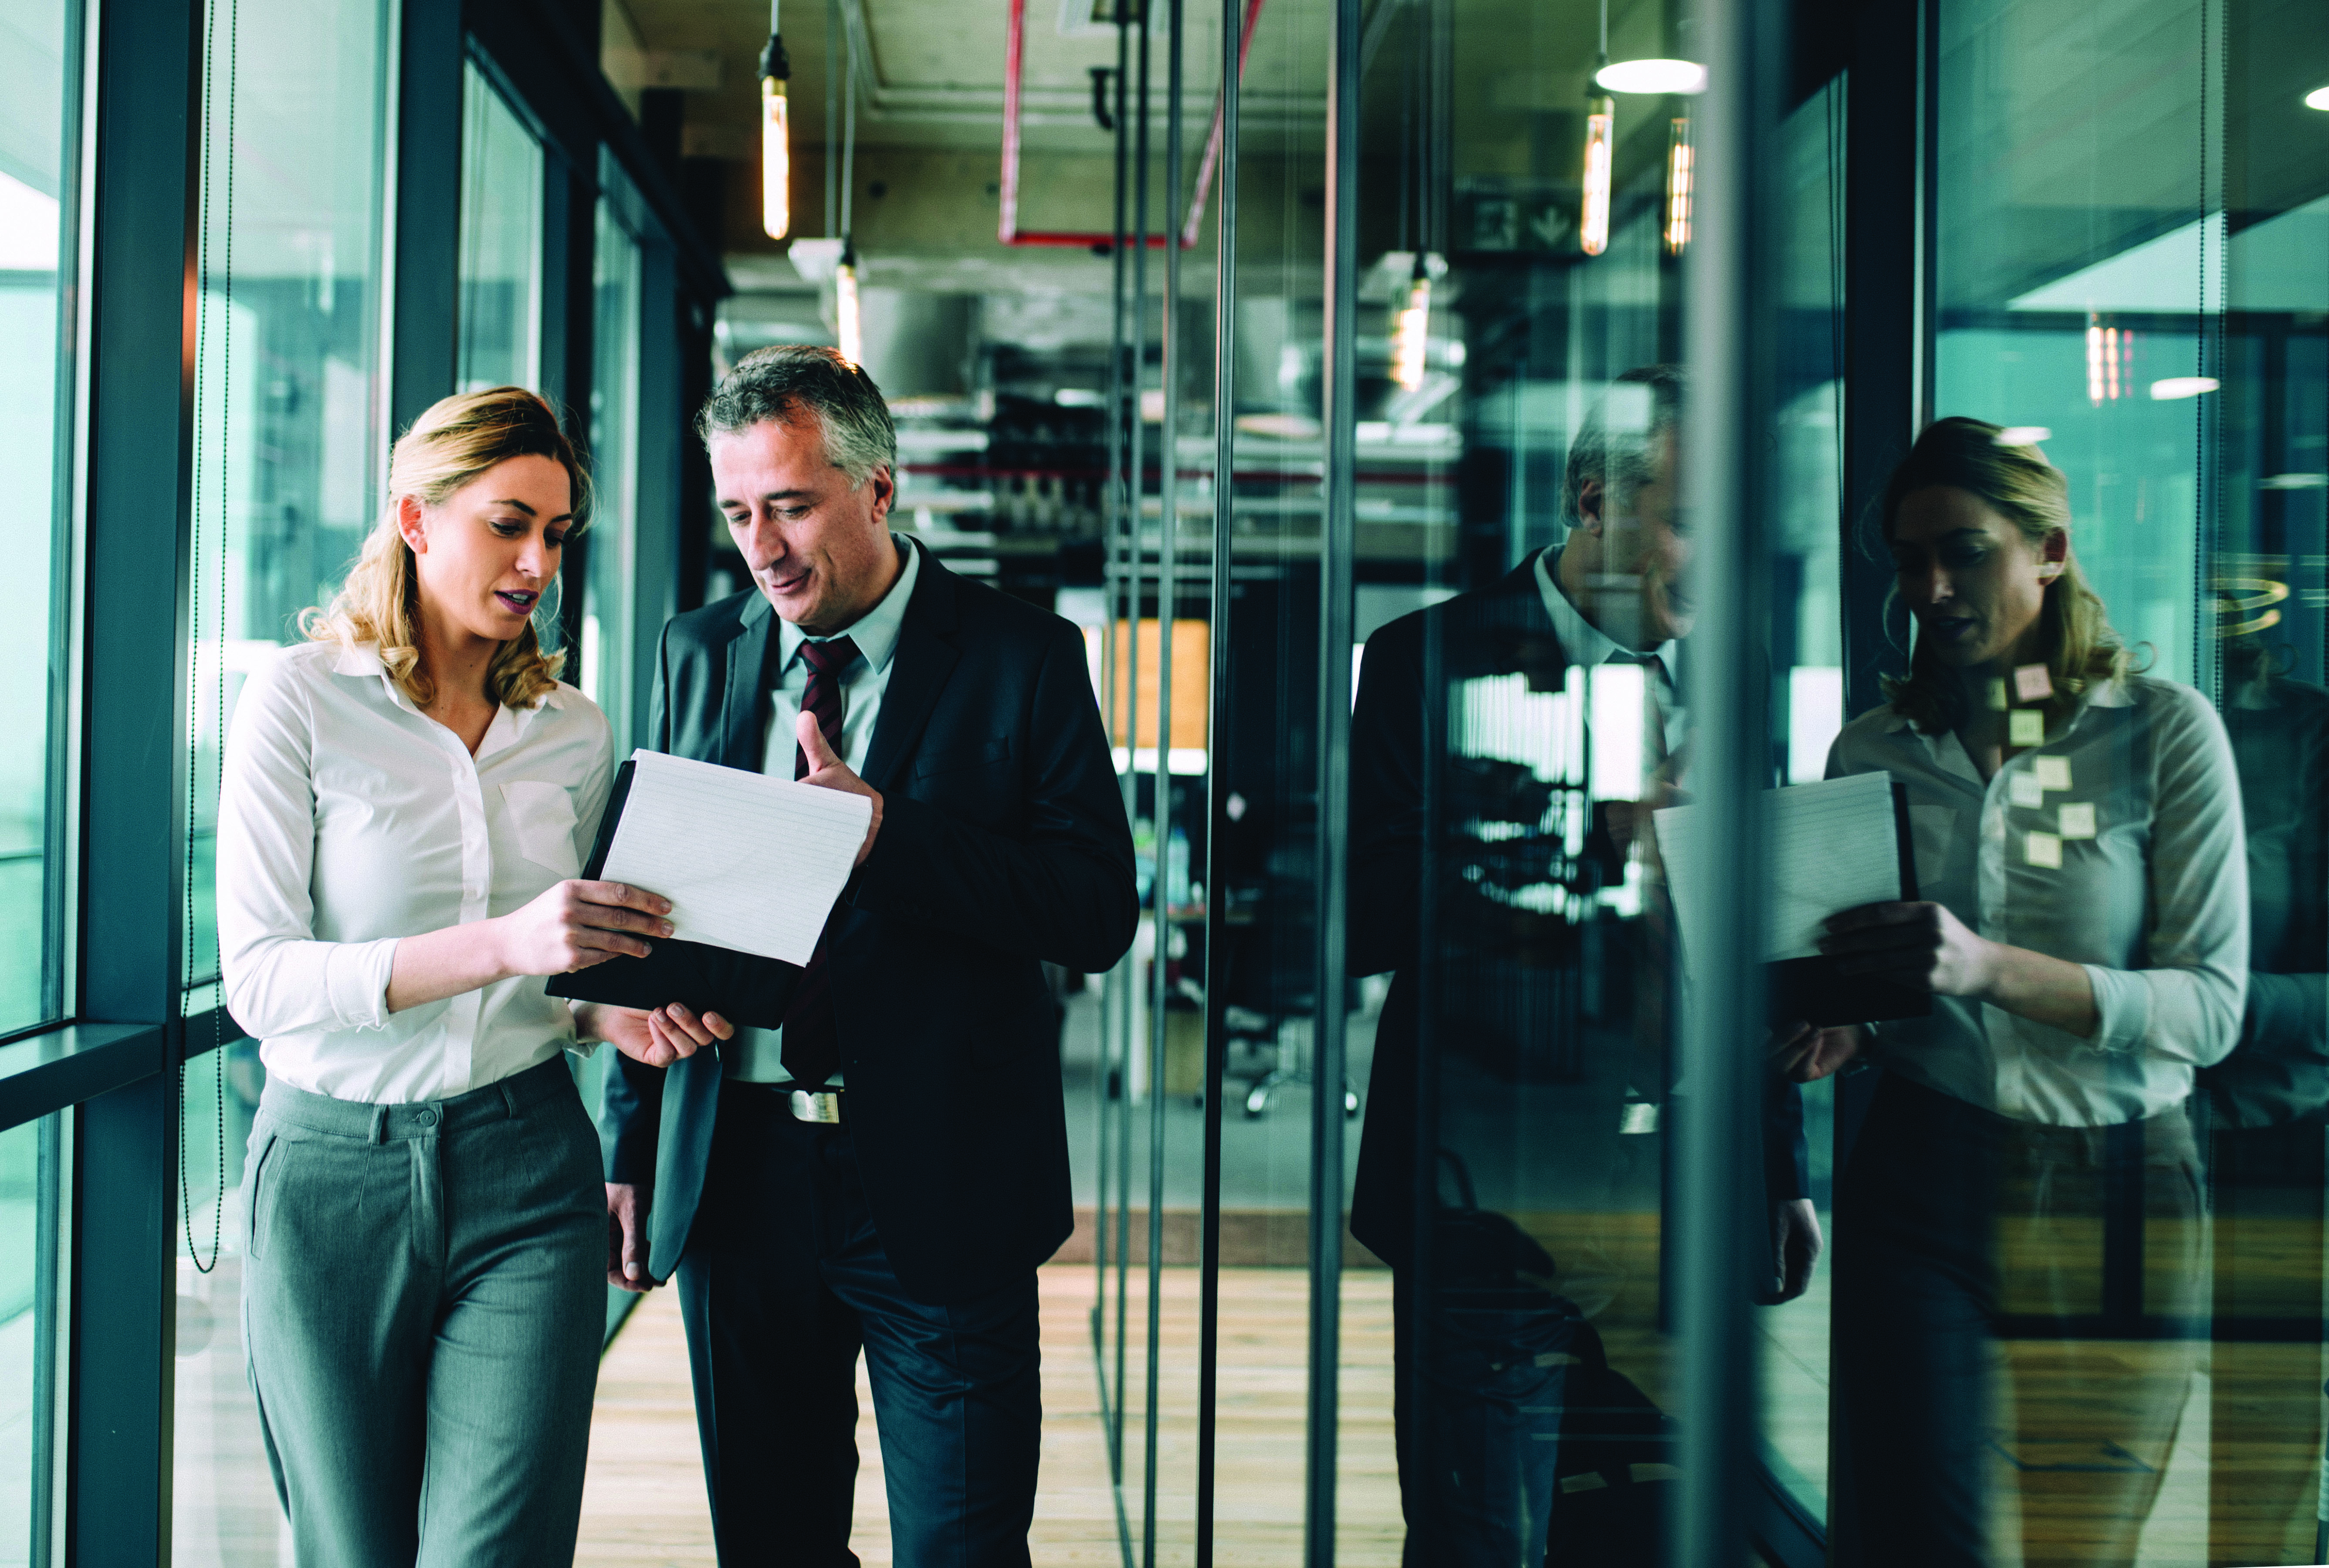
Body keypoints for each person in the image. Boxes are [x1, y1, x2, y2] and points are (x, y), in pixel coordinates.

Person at [599, 345, 1138, 1564]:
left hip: (942, 1182)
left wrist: (885, 834)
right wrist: (633, 1141)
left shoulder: (1021, 656)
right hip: (734, 1178)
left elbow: (1095, 909)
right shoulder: (703, 650)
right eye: (740, 513)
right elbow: (652, 911)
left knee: (960, 1544)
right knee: (773, 1543)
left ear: (878, 490)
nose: (764, 547)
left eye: (790, 506)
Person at [1348, 366, 1819, 1566]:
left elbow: (1749, 954)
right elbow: (1371, 920)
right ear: (1591, 496)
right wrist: (1597, 837)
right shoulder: (1424, 661)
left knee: (1653, 1531)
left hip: (1681, 1199)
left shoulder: (1736, 688)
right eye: (1688, 517)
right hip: (1490, 1184)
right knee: (1479, 1534)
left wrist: (1784, 1165)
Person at [218, 386, 689, 1564]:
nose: (539, 562)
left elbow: (561, 978)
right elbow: (260, 981)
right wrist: (512, 945)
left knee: (496, 1551)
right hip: (330, 1178)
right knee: (352, 1548)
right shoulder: (299, 701)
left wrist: (605, 1016)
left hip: (527, 1168)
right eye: (509, 524)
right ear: (416, 518)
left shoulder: (572, 732)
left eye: (559, 536)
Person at [1787, 417, 2247, 1566]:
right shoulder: (1876, 751)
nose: (1930, 586)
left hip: (2120, 1184)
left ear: (2048, 548)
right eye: (1907, 559)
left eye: (1964, 550)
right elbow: (1886, 977)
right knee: (1914, 1537)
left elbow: (2212, 1010)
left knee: (2083, 1547)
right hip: (1925, 1172)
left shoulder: (2161, 734)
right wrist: (1852, 1020)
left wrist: (1986, 968)